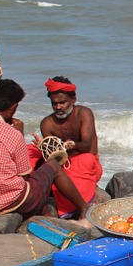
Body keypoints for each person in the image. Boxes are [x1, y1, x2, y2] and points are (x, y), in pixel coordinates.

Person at [0, 79, 90, 221]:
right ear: (13, 108)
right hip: (10, 202)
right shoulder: (12, 134)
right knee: (52, 165)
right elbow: (24, 176)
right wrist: (19, 136)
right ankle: (84, 208)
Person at [37, 76, 103, 217]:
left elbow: (86, 146)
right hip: (63, 166)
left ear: (73, 100)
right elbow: (54, 157)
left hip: (88, 164)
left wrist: (69, 147)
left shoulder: (84, 113)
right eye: (54, 103)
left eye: (62, 102)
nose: (58, 107)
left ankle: (79, 208)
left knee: (86, 160)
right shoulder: (47, 123)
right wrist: (42, 147)